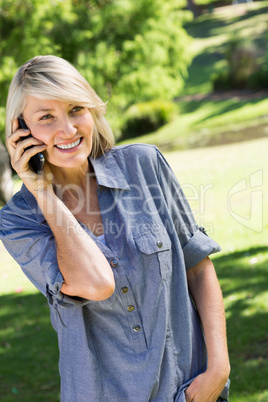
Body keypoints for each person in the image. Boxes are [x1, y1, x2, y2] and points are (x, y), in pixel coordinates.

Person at [0, 55, 230, 402]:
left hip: (190, 388)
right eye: (46, 117)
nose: (68, 129)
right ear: (21, 130)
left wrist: (218, 370)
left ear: (92, 109)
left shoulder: (145, 165)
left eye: (76, 109)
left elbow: (197, 267)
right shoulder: (18, 220)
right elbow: (96, 283)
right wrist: (41, 189)